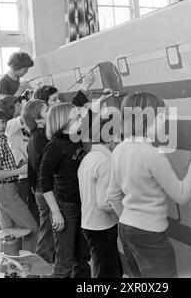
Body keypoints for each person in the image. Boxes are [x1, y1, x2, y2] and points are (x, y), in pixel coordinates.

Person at [106, 92, 191, 278]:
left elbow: (113, 195)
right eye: (161, 116)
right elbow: (182, 195)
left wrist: (130, 220)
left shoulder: (118, 149)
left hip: (126, 229)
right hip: (151, 236)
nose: (164, 121)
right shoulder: (154, 155)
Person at [23, 73, 97, 265]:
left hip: (50, 192)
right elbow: (44, 177)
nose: (55, 106)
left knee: (55, 239)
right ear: (39, 120)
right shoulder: (44, 139)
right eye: (50, 105)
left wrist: (85, 91)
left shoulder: (47, 135)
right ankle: (39, 271)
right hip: (47, 193)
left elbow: (70, 115)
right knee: (48, 239)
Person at [38, 102, 91, 278]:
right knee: (64, 261)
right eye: (76, 116)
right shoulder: (55, 145)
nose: (79, 119)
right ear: (64, 120)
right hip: (65, 207)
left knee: (81, 256)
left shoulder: (75, 139)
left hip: (80, 203)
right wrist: (56, 212)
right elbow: (44, 181)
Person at [0, 107, 38, 252]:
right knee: (32, 228)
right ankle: (29, 268)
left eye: (3, 122)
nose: (1, 126)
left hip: (2, 189)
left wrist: (18, 165)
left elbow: (3, 169)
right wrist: (19, 171)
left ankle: (9, 269)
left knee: (9, 232)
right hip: (6, 190)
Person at [78, 117, 123, 278]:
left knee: (109, 268)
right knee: (106, 272)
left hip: (90, 223)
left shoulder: (89, 158)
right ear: (111, 138)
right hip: (102, 226)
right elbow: (105, 203)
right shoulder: (106, 162)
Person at [0, 96, 39, 224]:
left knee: (29, 205)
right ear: (12, 108)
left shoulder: (14, 125)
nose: (21, 106)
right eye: (18, 105)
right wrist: (34, 102)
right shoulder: (9, 124)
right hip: (20, 173)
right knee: (21, 206)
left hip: (25, 171)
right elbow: (24, 116)